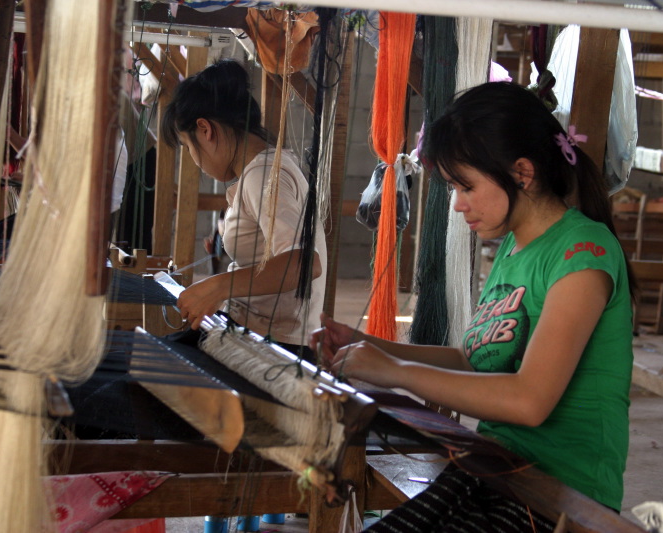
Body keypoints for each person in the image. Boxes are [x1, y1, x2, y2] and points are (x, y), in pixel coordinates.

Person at [310, 82, 636, 531]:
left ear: (521, 173)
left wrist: (394, 373)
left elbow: (529, 401)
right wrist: (369, 346)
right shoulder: (513, 249)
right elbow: (474, 358)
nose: (458, 204)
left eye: (466, 186)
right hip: (499, 472)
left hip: (561, 498)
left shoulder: (583, 253)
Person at [161, 59, 326, 362]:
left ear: (205, 129)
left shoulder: (264, 175)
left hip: (278, 349)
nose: (195, 161)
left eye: (188, 147)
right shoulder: (260, 171)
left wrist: (218, 286)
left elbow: (303, 265)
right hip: (259, 334)